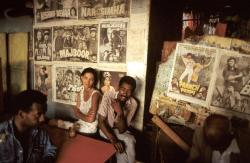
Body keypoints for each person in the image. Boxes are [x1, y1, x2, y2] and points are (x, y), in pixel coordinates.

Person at [0, 90, 57, 163]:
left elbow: (51, 150)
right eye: (38, 114)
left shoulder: (40, 132)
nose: (42, 119)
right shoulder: (2, 132)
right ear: (21, 114)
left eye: (43, 113)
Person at [98, 76, 138, 163]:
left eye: (129, 90)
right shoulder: (108, 96)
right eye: (123, 89)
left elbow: (122, 130)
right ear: (118, 88)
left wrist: (120, 112)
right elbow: (100, 122)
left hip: (119, 131)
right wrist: (113, 140)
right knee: (125, 144)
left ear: (132, 92)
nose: (125, 93)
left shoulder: (133, 103)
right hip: (105, 129)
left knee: (130, 140)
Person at [57, 68, 101, 134]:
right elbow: (76, 114)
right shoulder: (80, 93)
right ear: (82, 78)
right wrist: (84, 115)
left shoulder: (95, 94)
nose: (87, 81)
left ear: (94, 81)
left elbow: (90, 119)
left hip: (90, 127)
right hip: (80, 123)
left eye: (91, 79)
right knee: (57, 122)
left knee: (68, 130)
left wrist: (78, 113)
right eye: (86, 78)